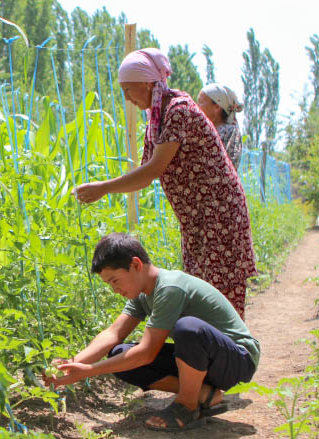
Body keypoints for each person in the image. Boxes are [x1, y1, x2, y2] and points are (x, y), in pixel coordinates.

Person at [73, 48, 256, 319]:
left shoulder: (178, 110)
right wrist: (106, 188)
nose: (127, 97)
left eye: (128, 89)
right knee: (203, 296)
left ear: (147, 82)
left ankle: (235, 358)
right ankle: (209, 359)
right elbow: (145, 175)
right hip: (197, 220)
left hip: (219, 215)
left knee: (220, 297)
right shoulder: (156, 119)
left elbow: (153, 170)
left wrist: (103, 188)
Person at [45, 233, 259, 432]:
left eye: (115, 280)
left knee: (188, 328)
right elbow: (114, 334)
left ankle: (187, 404)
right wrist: (70, 366)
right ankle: (204, 394)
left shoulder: (170, 288)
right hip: (205, 360)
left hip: (237, 359)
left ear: (135, 264)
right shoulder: (142, 294)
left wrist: (90, 370)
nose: (114, 289)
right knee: (119, 353)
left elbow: (147, 353)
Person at [197, 84, 245, 170]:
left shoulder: (230, 132)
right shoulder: (205, 130)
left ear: (216, 107)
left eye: (201, 102)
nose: (197, 106)